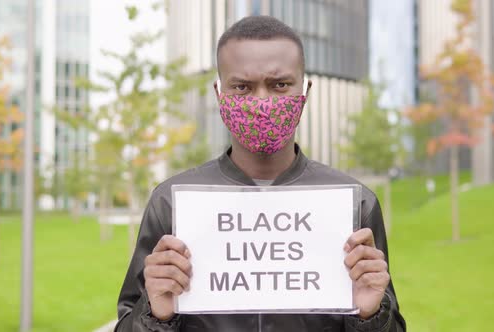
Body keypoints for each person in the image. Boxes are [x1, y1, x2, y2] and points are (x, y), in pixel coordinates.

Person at [115, 16, 406, 332]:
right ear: (219, 93)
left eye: (280, 85)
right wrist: (156, 312)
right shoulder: (171, 203)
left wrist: (370, 314)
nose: (262, 102)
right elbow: (128, 322)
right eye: (242, 87)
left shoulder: (355, 205)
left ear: (304, 91)